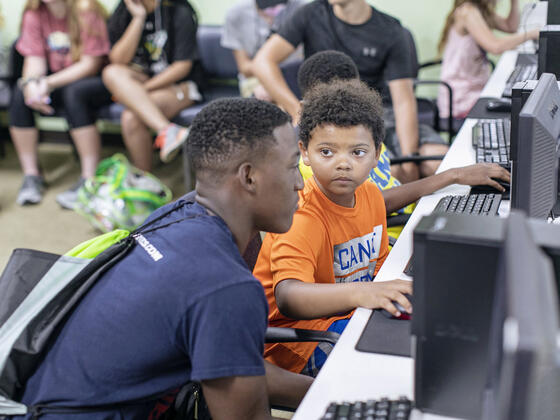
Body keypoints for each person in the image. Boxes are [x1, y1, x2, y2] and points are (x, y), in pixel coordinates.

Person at [14, 98, 313, 419]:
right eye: (292, 165)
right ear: (249, 177)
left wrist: (334, 390)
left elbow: (239, 367)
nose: (300, 182)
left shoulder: (175, 215)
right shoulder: (224, 285)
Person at [253, 79, 413, 377]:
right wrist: (362, 293)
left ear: (376, 154)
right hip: (298, 342)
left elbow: (376, 268)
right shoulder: (301, 214)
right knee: (396, 365)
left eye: (357, 152)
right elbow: (289, 297)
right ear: (305, 152)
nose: (343, 164)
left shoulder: (370, 197)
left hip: (346, 316)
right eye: (327, 152)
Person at [297, 50, 511, 228]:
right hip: (393, 232)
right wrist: (452, 175)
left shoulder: (361, 131)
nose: (348, 111)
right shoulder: (315, 165)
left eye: (354, 98)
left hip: (415, 209)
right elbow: (372, 204)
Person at [252, 0, 449, 183]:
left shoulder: (391, 31)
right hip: (328, 117)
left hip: (382, 115)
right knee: (389, 172)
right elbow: (263, 61)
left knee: (438, 164)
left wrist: (410, 158)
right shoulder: (311, 13)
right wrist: (296, 110)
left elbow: (404, 101)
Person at [9, 0, 110, 207]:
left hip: (93, 79)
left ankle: (89, 179)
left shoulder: (86, 9)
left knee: (74, 93)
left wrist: (47, 83)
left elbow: (91, 64)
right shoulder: (34, 13)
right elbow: (34, 59)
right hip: (55, 79)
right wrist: (31, 85)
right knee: (21, 94)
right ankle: (32, 176)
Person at [102, 0, 205, 172]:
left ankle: (145, 176)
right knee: (111, 72)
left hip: (180, 84)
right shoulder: (124, 12)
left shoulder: (179, 11)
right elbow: (118, 60)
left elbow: (182, 67)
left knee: (130, 117)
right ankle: (167, 131)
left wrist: (137, 92)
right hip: (145, 80)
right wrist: (138, 18)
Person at [437, 0, 540, 118]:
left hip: (476, 88)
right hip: (461, 96)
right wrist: (530, 34)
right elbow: (495, 46)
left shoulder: (480, 10)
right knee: (516, 112)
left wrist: (514, 2)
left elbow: (510, 27)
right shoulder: (467, 12)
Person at [221, 0, 303, 100]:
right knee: (264, 96)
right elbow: (244, 67)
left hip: (293, 75)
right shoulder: (236, 14)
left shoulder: (302, 9)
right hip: (256, 78)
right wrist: (268, 75)